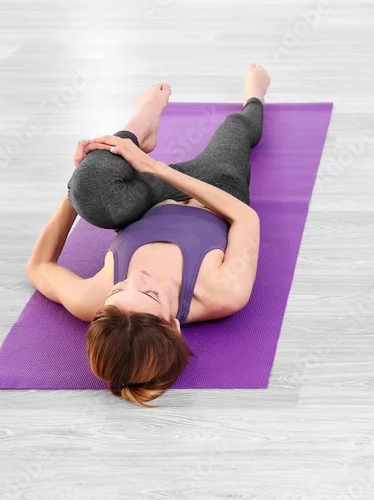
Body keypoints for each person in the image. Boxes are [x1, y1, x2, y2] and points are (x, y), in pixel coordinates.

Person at [25, 64, 271, 406]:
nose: (137, 277)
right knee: (236, 128)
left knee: (88, 187)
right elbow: (245, 218)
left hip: (148, 197)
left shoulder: (90, 300)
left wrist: (74, 187)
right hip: (216, 187)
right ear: (173, 325)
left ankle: (143, 121)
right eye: (150, 293)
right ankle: (255, 96)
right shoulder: (223, 293)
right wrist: (152, 166)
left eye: (119, 289)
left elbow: (39, 267)